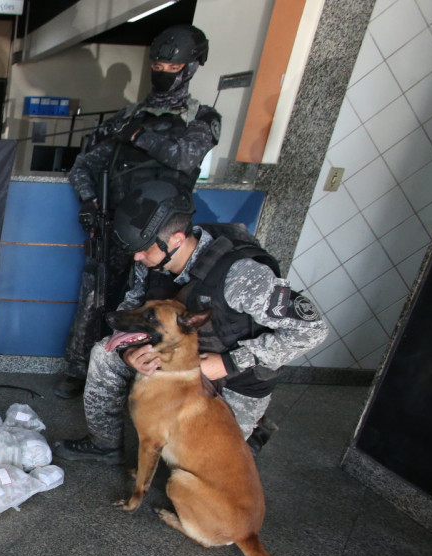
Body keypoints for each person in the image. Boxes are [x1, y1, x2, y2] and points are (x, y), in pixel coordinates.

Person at [52, 181, 328, 464]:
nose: (138, 256)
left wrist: (228, 363)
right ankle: (105, 445)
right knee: (105, 353)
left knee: (199, 466)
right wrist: (128, 350)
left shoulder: (241, 276)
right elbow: (131, 307)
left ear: (177, 240)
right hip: (174, 357)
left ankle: (252, 434)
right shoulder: (152, 260)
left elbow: (311, 331)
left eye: (144, 249)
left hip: (232, 379)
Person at [59, 25, 219, 400]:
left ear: (192, 67)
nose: (163, 71)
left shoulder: (201, 118)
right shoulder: (128, 115)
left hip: (164, 236)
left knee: (150, 307)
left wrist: (137, 136)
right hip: (116, 225)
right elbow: (84, 165)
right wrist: (89, 200)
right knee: (96, 297)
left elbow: (187, 157)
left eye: (172, 66)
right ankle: (83, 370)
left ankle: (140, 372)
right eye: (158, 64)